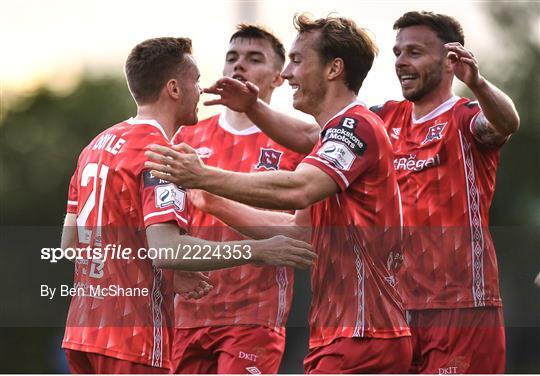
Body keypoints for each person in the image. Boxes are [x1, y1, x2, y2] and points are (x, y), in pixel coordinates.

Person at [189, 11, 520, 374]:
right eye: (397, 52)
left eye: (414, 52)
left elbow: (506, 123)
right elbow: (307, 163)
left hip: (454, 305)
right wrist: (217, 192)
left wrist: (478, 83)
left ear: (450, 60)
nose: (401, 62)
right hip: (388, 310)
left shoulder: (455, 117)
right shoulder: (381, 119)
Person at [146, 14, 412, 373]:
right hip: (338, 334)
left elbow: (298, 189)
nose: (288, 74)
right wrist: (214, 202)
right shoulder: (330, 135)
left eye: (298, 61)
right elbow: (298, 234)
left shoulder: (356, 125)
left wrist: (205, 176)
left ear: (334, 69)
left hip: (362, 333)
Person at [60, 37, 316, 374]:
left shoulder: (97, 144)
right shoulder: (163, 152)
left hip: (84, 329)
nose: (200, 89)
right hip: (133, 335)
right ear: (174, 89)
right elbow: (166, 250)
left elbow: (70, 244)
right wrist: (258, 250)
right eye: (195, 82)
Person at [169, 25, 306, 374]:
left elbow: (300, 233)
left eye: (253, 58)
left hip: (254, 315)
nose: (238, 65)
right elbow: (159, 218)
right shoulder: (186, 135)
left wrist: (215, 199)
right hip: (187, 311)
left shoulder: (296, 143)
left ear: (278, 78)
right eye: (232, 58)